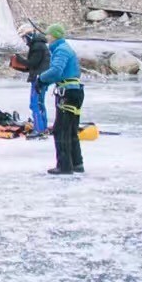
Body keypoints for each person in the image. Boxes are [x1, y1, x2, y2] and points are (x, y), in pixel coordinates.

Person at [37, 24, 84, 175]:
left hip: (67, 94)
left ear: (55, 36)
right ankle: (77, 163)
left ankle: (64, 166)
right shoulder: (65, 48)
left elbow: (57, 71)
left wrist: (41, 79)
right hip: (74, 92)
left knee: (60, 130)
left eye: (49, 35)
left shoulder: (61, 49)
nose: (47, 38)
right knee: (70, 130)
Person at [11, 23, 51, 137]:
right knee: (40, 103)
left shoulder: (37, 46)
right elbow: (33, 66)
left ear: (29, 35)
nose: (24, 40)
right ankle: (42, 127)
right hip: (41, 78)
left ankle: (39, 130)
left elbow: (32, 63)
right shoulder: (39, 45)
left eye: (24, 38)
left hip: (39, 79)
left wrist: (19, 59)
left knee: (35, 104)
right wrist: (20, 66)